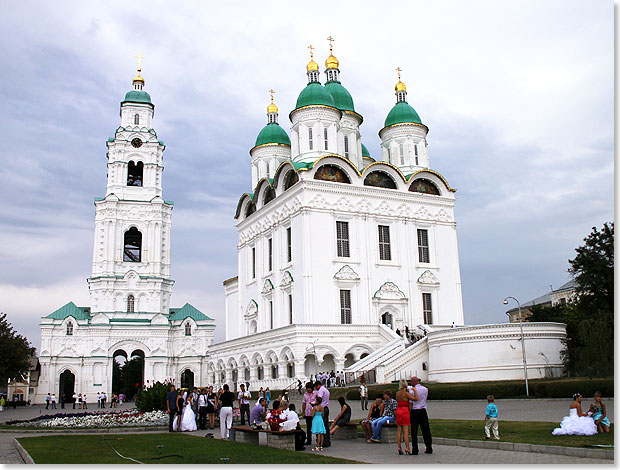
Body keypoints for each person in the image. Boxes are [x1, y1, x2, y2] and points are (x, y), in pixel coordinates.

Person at [409, 376, 432, 454]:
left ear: (413, 382)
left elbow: (411, 403)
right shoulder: (425, 389)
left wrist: (409, 412)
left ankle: (415, 449)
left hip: (414, 411)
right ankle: (429, 447)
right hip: (423, 410)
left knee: (414, 431)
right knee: (426, 430)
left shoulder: (412, 391)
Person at [396, 378, 418, 455]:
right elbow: (415, 398)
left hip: (398, 410)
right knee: (406, 431)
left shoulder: (397, 393)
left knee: (399, 430)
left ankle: (399, 447)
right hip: (405, 411)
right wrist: (415, 391)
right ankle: (407, 447)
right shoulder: (406, 393)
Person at [314, 380, 331, 447]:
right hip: (326, 407)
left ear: (318, 385)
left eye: (316, 387)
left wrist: (314, 403)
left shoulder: (321, 390)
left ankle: (322, 441)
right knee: (326, 425)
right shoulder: (326, 390)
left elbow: (319, 399)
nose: (316, 389)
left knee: (321, 425)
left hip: (322, 408)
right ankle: (327, 441)